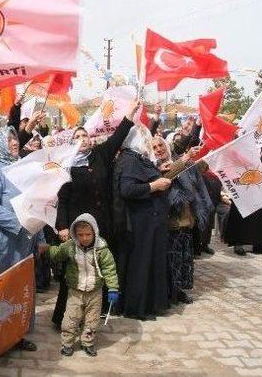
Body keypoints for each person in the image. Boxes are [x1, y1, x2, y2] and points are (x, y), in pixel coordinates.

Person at [52, 100, 138, 327]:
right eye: (78, 137)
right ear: (70, 143)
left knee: (98, 268)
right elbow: (63, 198)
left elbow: (118, 136)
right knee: (76, 270)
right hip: (78, 227)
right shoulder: (66, 166)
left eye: (86, 136)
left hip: (102, 225)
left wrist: (129, 113)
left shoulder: (100, 155)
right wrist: (62, 226)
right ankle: (65, 315)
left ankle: (93, 313)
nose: (83, 140)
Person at [0, 125, 47, 352]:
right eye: (9, 140)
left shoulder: (20, 169)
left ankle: (17, 335)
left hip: (24, 244)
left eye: (15, 139)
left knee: (20, 290)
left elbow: (35, 203)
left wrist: (40, 234)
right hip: (1, 245)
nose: (15, 143)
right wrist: (20, 225)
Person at [118, 126, 172, 320]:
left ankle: (150, 303)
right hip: (141, 222)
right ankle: (137, 307)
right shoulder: (130, 159)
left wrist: (158, 171)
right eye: (144, 138)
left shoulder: (137, 158)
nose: (148, 142)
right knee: (141, 264)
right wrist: (154, 185)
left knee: (150, 262)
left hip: (150, 221)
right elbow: (127, 189)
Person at [48, 214, 119, 357]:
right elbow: (57, 255)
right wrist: (49, 249)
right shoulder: (70, 246)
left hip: (95, 291)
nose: (85, 238)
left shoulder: (102, 249)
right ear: (74, 234)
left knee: (92, 320)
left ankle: (87, 342)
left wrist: (112, 288)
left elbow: (109, 269)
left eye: (88, 234)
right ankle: (67, 343)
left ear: (95, 232)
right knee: (70, 319)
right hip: (75, 291)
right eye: (80, 234)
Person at [152, 137, 212, 304]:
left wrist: (207, 156)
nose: (158, 149)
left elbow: (198, 172)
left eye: (161, 145)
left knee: (184, 258)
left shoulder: (182, 162)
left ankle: (179, 291)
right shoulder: (153, 167)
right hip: (168, 223)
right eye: (154, 147)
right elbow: (167, 175)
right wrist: (184, 159)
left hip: (185, 221)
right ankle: (170, 292)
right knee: (170, 260)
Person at [224, 149, 262, 256]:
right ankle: (238, 243)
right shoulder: (240, 150)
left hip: (261, 189)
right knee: (242, 215)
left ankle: (259, 244)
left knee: (261, 216)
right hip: (244, 188)